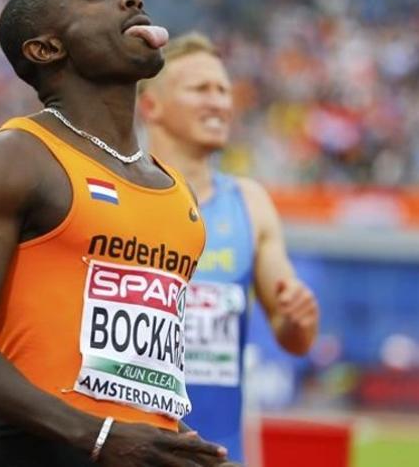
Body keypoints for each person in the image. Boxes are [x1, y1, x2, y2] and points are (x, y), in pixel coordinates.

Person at [0, 0, 232, 466]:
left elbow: (128, 373)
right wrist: (97, 435)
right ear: (46, 48)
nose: (131, 0)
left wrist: (181, 446)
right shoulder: (16, 158)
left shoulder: (177, 194)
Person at [137, 32, 320, 464]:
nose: (219, 102)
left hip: (218, 454)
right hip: (129, 452)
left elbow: (295, 336)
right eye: (201, 89)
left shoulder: (250, 203)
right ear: (152, 106)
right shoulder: (117, 192)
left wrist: (299, 316)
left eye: (223, 90)